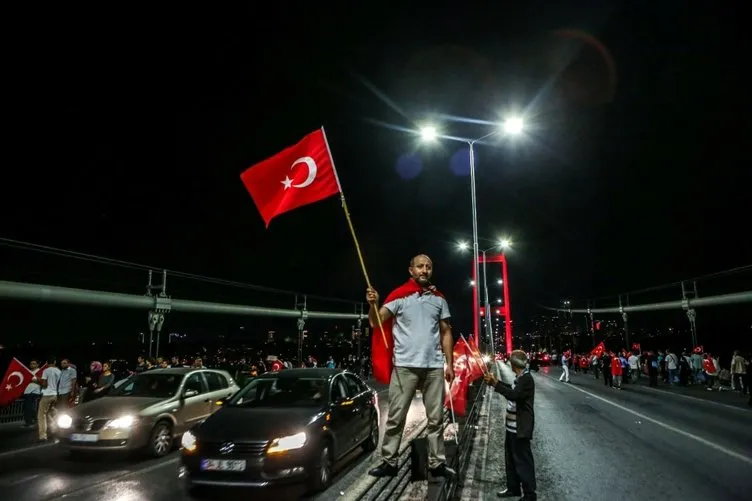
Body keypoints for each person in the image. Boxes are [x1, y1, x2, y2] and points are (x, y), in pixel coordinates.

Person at [366, 254, 455, 479]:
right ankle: (389, 462)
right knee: (396, 417)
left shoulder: (439, 299)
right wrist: (373, 304)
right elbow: (376, 321)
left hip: (434, 366)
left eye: (428, 267)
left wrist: (449, 364)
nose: (424, 270)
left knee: (436, 419)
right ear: (411, 270)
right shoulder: (399, 297)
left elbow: (446, 332)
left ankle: (437, 464)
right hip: (405, 366)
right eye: (420, 267)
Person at [483, 350, 537, 500]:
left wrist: (495, 384)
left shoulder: (526, 379)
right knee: (511, 460)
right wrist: (497, 382)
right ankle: (513, 488)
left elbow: (514, 395)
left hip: (519, 428)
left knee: (523, 461)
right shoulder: (520, 377)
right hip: (511, 427)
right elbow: (512, 389)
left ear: (513, 364)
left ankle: (530, 494)